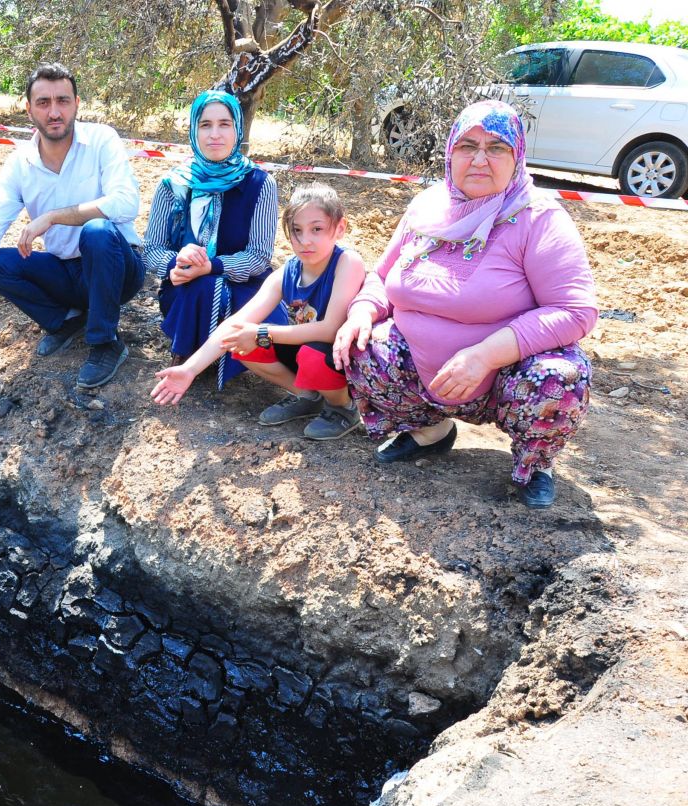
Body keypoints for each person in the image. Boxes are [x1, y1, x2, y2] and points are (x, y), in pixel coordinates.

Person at [332, 100, 596, 508]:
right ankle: (428, 433)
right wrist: (363, 311)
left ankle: (535, 463)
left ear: (517, 156)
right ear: (450, 151)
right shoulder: (427, 206)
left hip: (505, 376)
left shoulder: (538, 218)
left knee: (561, 376)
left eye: (496, 148)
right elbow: (383, 277)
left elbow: (575, 311)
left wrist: (485, 355)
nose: (479, 159)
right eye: (467, 146)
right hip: (423, 371)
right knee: (361, 344)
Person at [0, 63, 145, 389]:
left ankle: (106, 342)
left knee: (97, 231)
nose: (55, 112)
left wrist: (54, 216)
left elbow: (126, 204)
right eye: (43, 102)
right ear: (29, 109)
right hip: (67, 273)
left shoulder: (102, 140)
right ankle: (68, 321)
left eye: (63, 101)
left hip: (118, 268)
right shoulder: (20, 163)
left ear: (77, 104)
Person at [151, 183, 367, 441]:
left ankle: (342, 408)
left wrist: (261, 332)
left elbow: (330, 329)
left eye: (317, 229)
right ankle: (308, 396)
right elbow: (234, 324)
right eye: (296, 231)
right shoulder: (288, 271)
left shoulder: (347, 262)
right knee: (238, 341)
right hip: (305, 351)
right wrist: (190, 369)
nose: (305, 240)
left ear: (339, 228)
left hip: (339, 357)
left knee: (309, 353)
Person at [142, 89, 279, 390]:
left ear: (237, 129)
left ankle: (204, 355)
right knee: (202, 285)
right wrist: (175, 264)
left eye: (224, 124)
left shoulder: (260, 184)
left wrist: (213, 266)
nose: (214, 134)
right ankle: (194, 351)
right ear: (193, 129)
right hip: (186, 290)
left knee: (212, 284)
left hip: (245, 290)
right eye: (205, 125)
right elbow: (151, 249)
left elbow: (258, 257)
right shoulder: (174, 184)